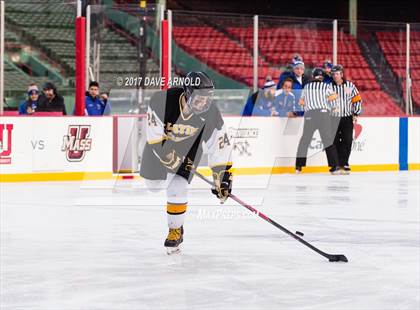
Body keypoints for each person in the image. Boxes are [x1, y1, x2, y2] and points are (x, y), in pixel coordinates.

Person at [139, 71, 233, 254]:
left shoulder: (211, 112)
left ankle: (175, 229)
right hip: (161, 146)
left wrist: (223, 177)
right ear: (188, 93)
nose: (204, 103)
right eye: (200, 98)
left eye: (208, 98)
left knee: (178, 185)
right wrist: (166, 156)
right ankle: (175, 222)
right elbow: (154, 137)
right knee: (154, 186)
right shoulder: (161, 101)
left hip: (189, 148)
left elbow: (220, 145)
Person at [295, 68, 340, 174]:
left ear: (313, 76)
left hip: (310, 115)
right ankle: (334, 167)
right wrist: (333, 109)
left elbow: (301, 103)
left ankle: (298, 166)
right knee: (328, 140)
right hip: (323, 114)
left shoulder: (306, 87)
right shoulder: (325, 86)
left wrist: (304, 111)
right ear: (322, 77)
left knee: (305, 140)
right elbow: (333, 99)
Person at [330, 65, 362, 174]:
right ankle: (338, 163)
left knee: (347, 140)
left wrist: (356, 113)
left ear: (342, 74)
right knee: (334, 141)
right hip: (333, 118)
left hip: (347, 118)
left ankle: (345, 163)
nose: (335, 76)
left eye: (337, 74)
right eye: (333, 74)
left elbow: (357, 99)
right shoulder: (329, 87)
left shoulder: (350, 86)